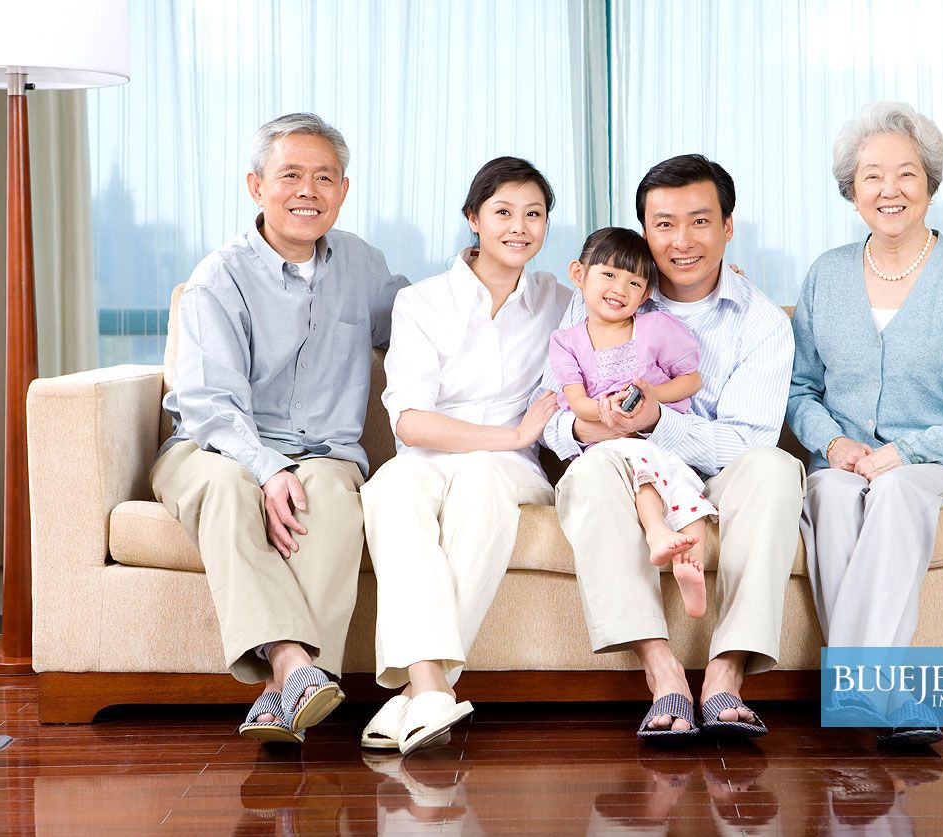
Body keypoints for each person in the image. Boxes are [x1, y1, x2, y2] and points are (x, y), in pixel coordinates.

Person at [152, 113, 407, 744]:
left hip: (323, 451)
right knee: (228, 490)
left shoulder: (363, 264)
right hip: (214, 447)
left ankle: (280, 695)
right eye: (290, 175)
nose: (307, 191)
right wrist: (268, 469)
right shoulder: (221, 275)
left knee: (336, 503)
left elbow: (418, 325)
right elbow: (208, 404)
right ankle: (297, 666)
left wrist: (479, 271)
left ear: (343, 191)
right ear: (255, 185)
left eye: (324, 178)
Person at [543, 154, 804, 740]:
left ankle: (725, 674)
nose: (681, 241)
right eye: (663, 223)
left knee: (777, 469)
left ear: (728, 226)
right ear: (643, 230)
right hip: (624, 469)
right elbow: (553, 416)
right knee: (588, 474)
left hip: (719, 469)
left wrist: (657, 421)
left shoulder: (762, 322)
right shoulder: (606, 293)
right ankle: (662, 675)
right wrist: (596, 429)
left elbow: (751, 442)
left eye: (699, 221)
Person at [787, 101, 943, 746]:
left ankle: (860, 687)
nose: (891, 190)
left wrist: (903, 452)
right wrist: (834, 442)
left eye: (907, 174)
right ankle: (885, 694)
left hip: (940, 464)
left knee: (894, 488)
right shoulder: (826, 276)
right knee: (827, 491)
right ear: (852, 191)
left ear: (930, 186)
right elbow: (801, 390)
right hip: (844, 458)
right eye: (873, 176)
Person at [359, 157, 571, 755]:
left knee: (481, 477)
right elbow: (411, 422)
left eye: (534, 214)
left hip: (511, 471)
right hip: (434, 457)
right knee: (389, 487)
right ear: (474, 218)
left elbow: (629, 304)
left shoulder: (559, 300)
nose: (519, 227)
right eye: (503, 212)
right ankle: (429, 691)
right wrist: (509, 433)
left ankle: (421, 689)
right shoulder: (422, 303)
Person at [548, 226, 714, 618]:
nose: (619, 288)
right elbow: (576, 402)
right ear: (578, 274)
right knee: (634, 460)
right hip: (607, 449)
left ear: (646, 294)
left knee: (689, 492)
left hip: (663, 440)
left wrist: (653, 398)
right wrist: (605, 411)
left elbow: (691, 380)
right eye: (608, 274)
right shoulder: (566, 341)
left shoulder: (655, 328)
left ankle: (691, 568)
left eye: (634, 282)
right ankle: (657, 531)